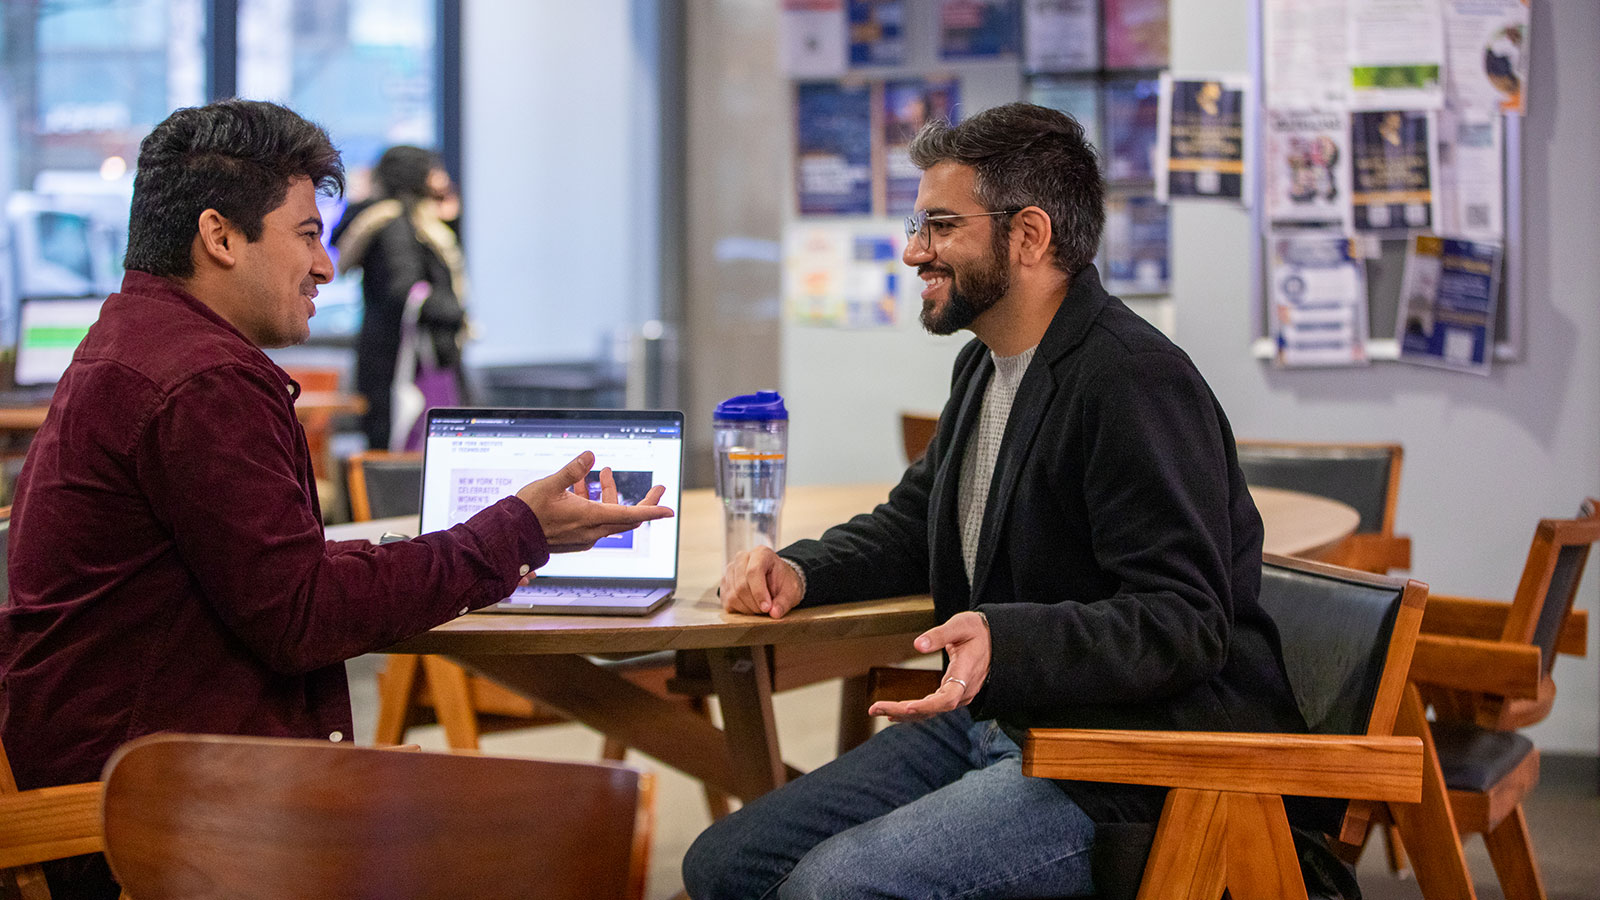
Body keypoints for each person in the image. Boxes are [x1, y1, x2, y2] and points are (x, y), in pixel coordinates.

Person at [0, 99, 671, 899]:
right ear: (219, 237)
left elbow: (267, 576)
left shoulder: (136, 342)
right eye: (308, 233)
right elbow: (302, 617)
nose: (326, 266)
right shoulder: (202, 379)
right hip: (155, 818)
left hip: (147, 777)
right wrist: (517, 531)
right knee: (573, 833)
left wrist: (479, 539)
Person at [683, 103, 1309, 899]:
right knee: (726, 864)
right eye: (919, 224)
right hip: (999, 719)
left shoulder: (1131, 379)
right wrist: (801, 572)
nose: (915, 251)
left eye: (941, 225)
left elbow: (1186, 621)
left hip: (1125, 758)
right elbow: (915, 526)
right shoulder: (987, 366)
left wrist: (1004, 638)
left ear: (1030, 236)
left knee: (833, 888)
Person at [331, 145, 467, 450]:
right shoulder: (396, 223)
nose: (442, 179)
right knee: (400, 446)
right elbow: (405, 290)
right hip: (399, 362)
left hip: (401, 357)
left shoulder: (413, 219)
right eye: (435, 170)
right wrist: (455, 313)